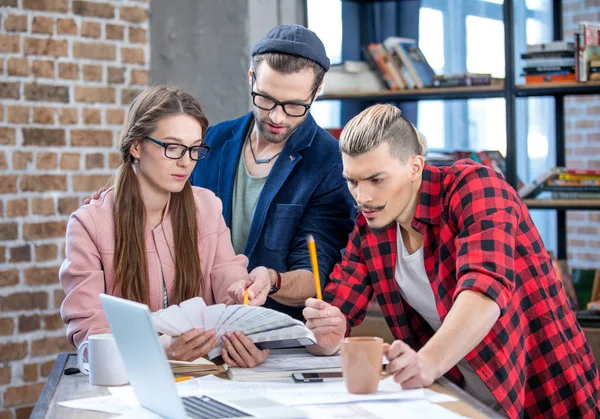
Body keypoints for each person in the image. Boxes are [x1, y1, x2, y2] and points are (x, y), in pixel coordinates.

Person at [304, 104, 600, 418]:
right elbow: (335, 317)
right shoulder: (370, 227)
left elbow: (484, 290)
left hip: (542, 392)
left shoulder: (475, 187)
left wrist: (426, 362)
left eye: (376, 180)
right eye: (353, 181)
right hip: (457, 399)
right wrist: (327, 334)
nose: (361, 197)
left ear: (415, 167)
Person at [60, 86, 271, 363]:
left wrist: (244, 317)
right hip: (129, 390)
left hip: (205, 380)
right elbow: (91, 338)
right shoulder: (89, 224)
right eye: (172, 147)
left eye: (194, 149)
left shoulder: (207, 207)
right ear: (136, 146)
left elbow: (230, 293)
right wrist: (159, 351)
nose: (186, 162)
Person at [191, 25, 355, 365]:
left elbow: (316, 273)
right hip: (198, 340)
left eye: (295, 105)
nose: (277, 117)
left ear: (318, 90)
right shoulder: (212, 142)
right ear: (251, 77)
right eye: (265, 99)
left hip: (278, 351)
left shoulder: (330, 163)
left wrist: (274, 279)